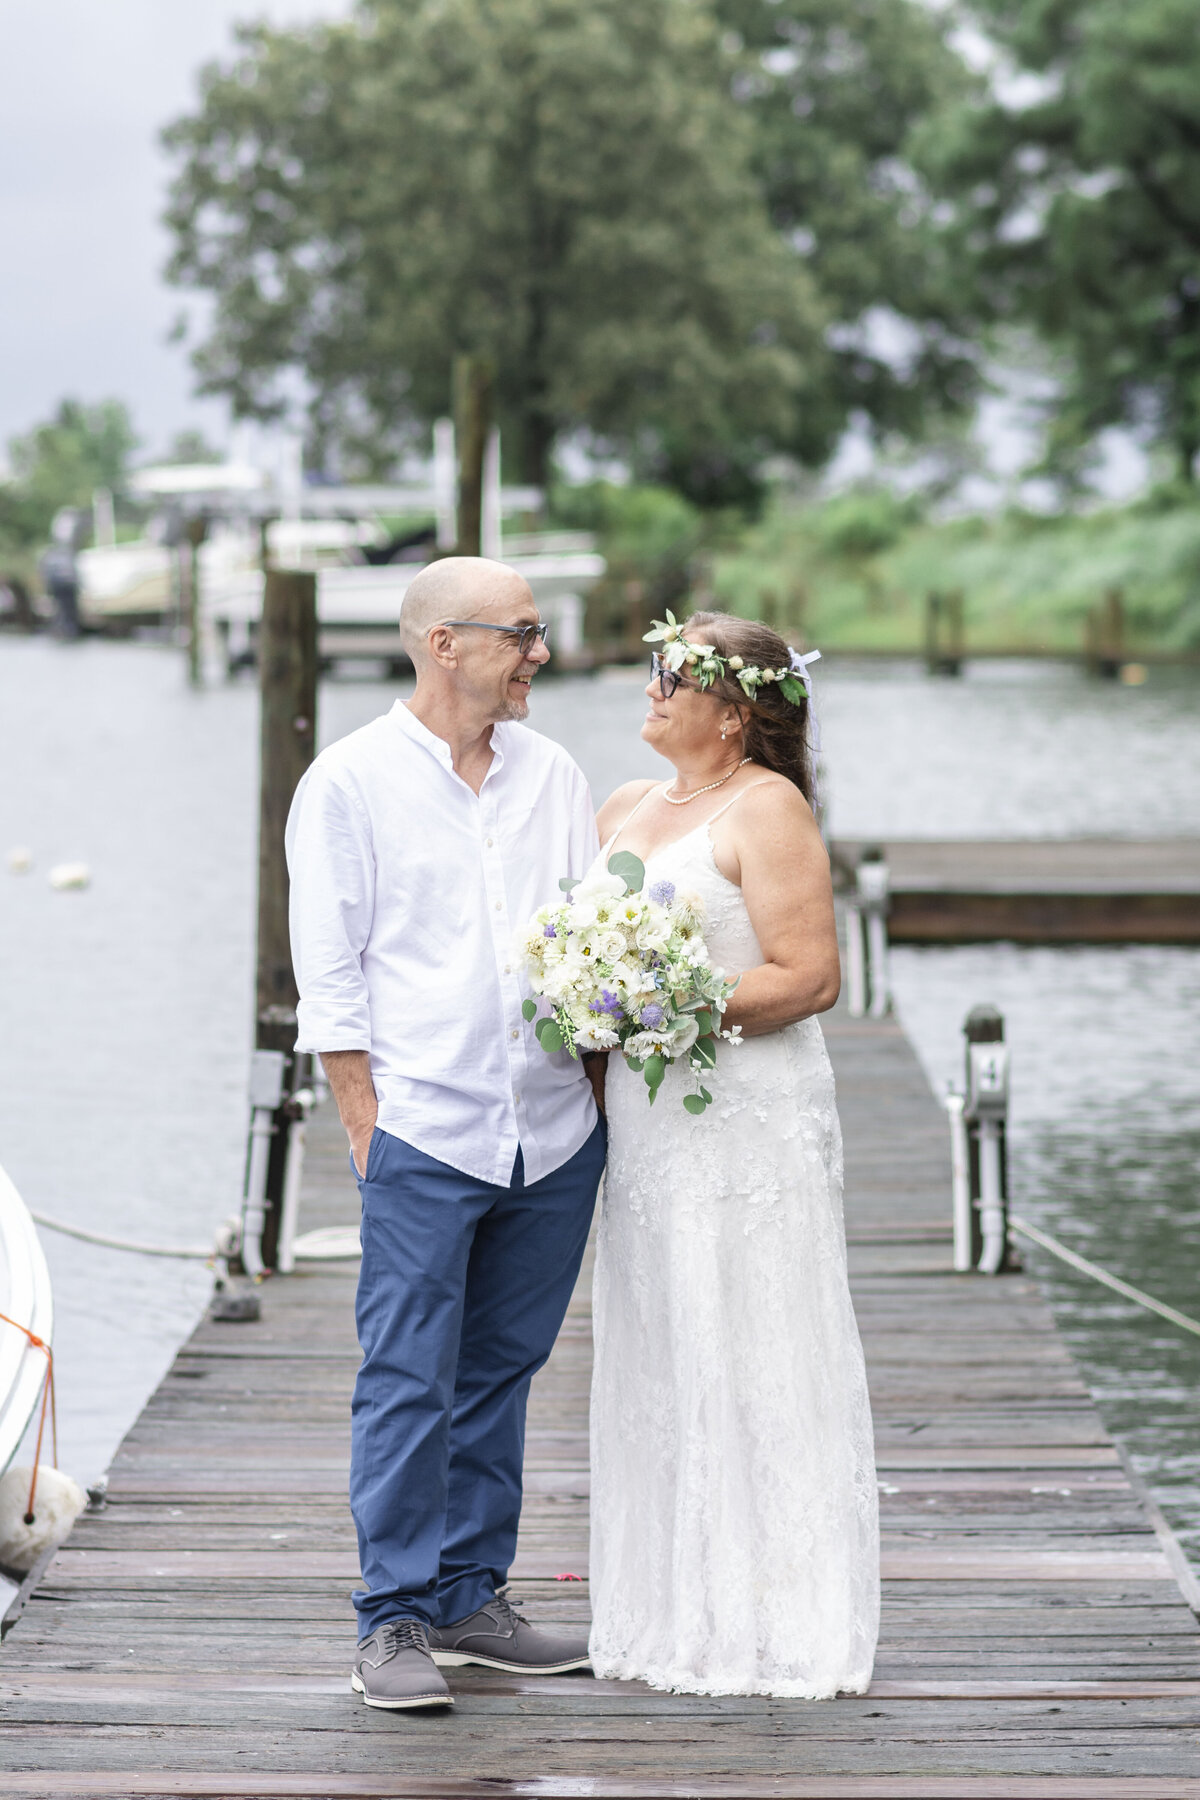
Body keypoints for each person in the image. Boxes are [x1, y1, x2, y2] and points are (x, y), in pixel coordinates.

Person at [285, 557, 607, 1711]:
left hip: (556, 1131)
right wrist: (368, 1128)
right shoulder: (347, 783)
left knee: (502, 1373)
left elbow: (591, 938)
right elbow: (329, 976)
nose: (542, 653)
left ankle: (472, 1598)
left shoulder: (556, 774)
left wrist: (601, 1102)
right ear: (444, 643)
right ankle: (392, 1619)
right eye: (523, 633)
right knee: (408, 1377)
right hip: (426, 1126)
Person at [587, 610, 880, 1698]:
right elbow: (585, 958)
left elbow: (808, 976)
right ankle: (670, 1615)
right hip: (648, 1125)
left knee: (756, 1330)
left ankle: (780, 1621)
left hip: (747, 1112)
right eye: (655, 672)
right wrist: (585, 1008)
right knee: (666, 1337)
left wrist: (666, 1005)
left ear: (735, 708)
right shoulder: (621, 806)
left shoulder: (771, 808)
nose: (652, 688)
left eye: (673, 676)